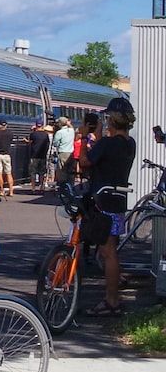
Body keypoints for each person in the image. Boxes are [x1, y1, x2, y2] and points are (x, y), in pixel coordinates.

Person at [81, 97, 137, 317]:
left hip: (103, 201)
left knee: (108, 252)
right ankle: (113, 296)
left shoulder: (106, 143)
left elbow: (85, 162)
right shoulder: (128, 143)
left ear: (112, 119)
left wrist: (85, 136)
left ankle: (112, 300)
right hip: (117, 200)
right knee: (109, 249)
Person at [50, 117, 75, 188]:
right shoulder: (71, 130)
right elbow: (71, 127)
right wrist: (68, 124)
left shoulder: (59, 132)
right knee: (70, 170)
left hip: (62, 153)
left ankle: (63, 186)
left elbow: (55, 143)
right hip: (71, 152)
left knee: (62, 170)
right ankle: (71, 186)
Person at [29, 121, 52, 192]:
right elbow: (47, 145)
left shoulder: (33, 134)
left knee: (33, 172)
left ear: (36, 125)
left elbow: (30, 142)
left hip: (34, 155)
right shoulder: (45, 135)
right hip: (43, 156)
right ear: (42, 126)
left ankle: (33, 187)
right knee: (42, 172)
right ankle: (41, 186)